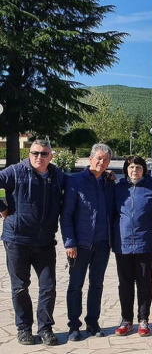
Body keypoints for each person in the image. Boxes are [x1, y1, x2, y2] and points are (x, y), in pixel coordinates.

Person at [0, 140, 65, 346]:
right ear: (29, 154)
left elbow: (80, 184)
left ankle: (45, 328)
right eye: (35, 153)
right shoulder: (15, 171)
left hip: (45, 242)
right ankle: (24, 329)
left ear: (51, 156)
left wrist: (107, 176)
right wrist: (2, 207)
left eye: (44, 153)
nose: (39, 157)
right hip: (16, 240)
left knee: (48, 287)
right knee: (20, 287)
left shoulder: (57, 177)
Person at [60, 143, 115, 341]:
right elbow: (66, 215)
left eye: (106, 159)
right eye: (99, 158)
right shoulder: (75, 182)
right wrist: (69, 242)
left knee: (97, 285)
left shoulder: (109, 182)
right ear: (90, 159)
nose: (102, 162)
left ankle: (93, 322)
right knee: (75, 286)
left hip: (102, 244)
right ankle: (74, 325)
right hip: (79, 245)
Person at [113, 156, 152, 337]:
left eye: (139, 167)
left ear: (144, 169)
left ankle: (143, 319)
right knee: (125, 283)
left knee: (144, 282)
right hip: (122, 243)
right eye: (131, 167)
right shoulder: (118, 188)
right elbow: (112, 213)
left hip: (145, 242)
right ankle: (126, 320)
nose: (135, 170)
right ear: (126, 169)